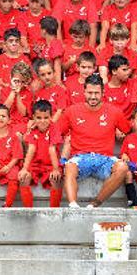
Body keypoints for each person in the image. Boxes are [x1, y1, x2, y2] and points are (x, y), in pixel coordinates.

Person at [56, 74, 130, 207]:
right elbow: (55, 135)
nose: (93, 96)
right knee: (69, 167)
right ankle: (73, 206)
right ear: (84, 91)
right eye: (90, 92)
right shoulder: (71, 111)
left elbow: (130, 133)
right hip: (80, 158)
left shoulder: (114, 112)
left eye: (97, 93)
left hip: (104, 158)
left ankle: (95, 204)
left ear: (103, 93)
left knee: (123, 168)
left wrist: (126, 153)